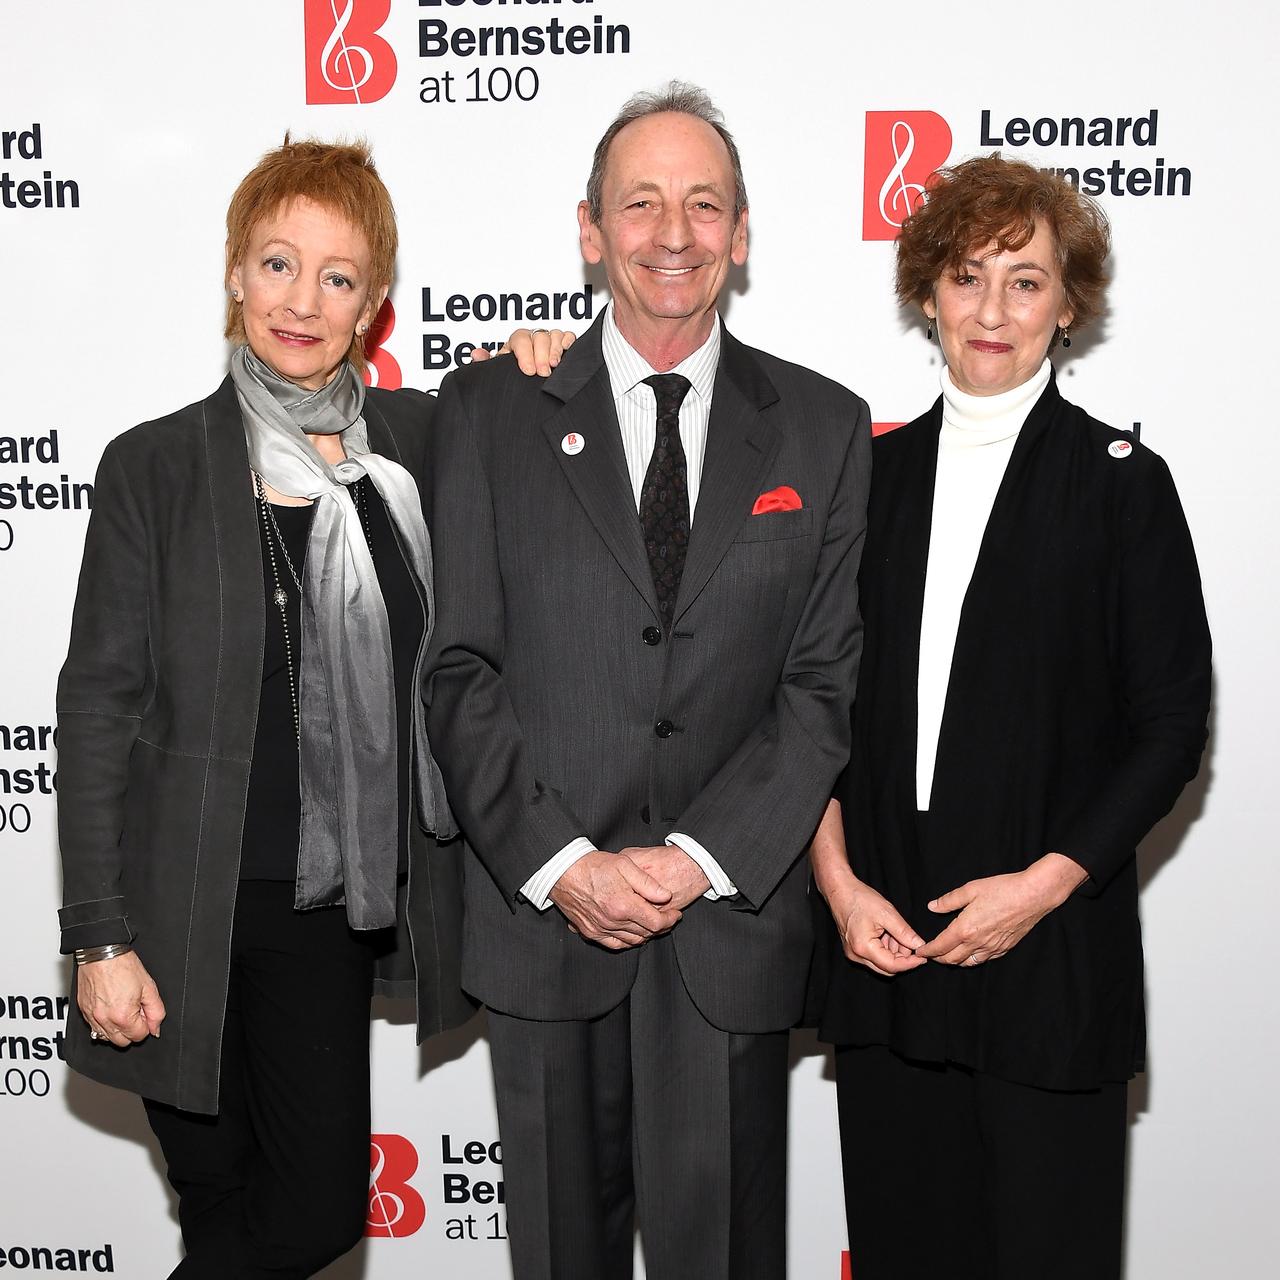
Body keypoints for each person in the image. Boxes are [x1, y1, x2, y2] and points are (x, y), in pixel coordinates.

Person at [55, 138, 546, 1279]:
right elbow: (96, 707)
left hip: (326, 906)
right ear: (235, 272)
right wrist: (98, 934)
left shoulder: (423, 443)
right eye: (278, 263)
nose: (302, 300)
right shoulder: (158, 466)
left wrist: (541, 359)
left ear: (373, 303)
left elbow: (556, 426)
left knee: (313, 1212)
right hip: (174, 906)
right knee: (220, 1205)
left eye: (337, 276)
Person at [424, 82, 871, 1280]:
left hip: (724, 925)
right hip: (543, 924)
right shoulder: (484, 409)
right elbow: (457, 665)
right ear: (588, 229)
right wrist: (567, 865)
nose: (671, 233)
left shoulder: (824, 427)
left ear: (740, 231)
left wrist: (696, 859)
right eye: (640, 203)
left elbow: (820, 683)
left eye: (702, 204)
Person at [809, 154, 1212, 1280]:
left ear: (1068, 304)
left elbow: (1169, 725)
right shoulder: (862, 481)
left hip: (1048, 968)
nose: (991, 309)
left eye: (1024, 280)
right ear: (926, 291)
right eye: (967, 275)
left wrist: (1040, 886)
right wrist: (837, 887)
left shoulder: (1122, 483)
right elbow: (805, 711)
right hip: (885, 954)